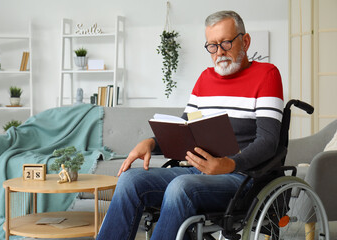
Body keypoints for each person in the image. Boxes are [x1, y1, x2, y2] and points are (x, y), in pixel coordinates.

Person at [96, 10, 284, 240]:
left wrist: (230, 164)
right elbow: (184, 131)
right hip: (197, 172)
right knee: (129, 181)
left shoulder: (267, 75)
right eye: (212, 46)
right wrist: (151, 143)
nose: (219, 53)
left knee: (180, 187)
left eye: (225, 43)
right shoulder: (205, 78)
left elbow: (268, 141)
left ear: (245, 41)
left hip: (241, 177)